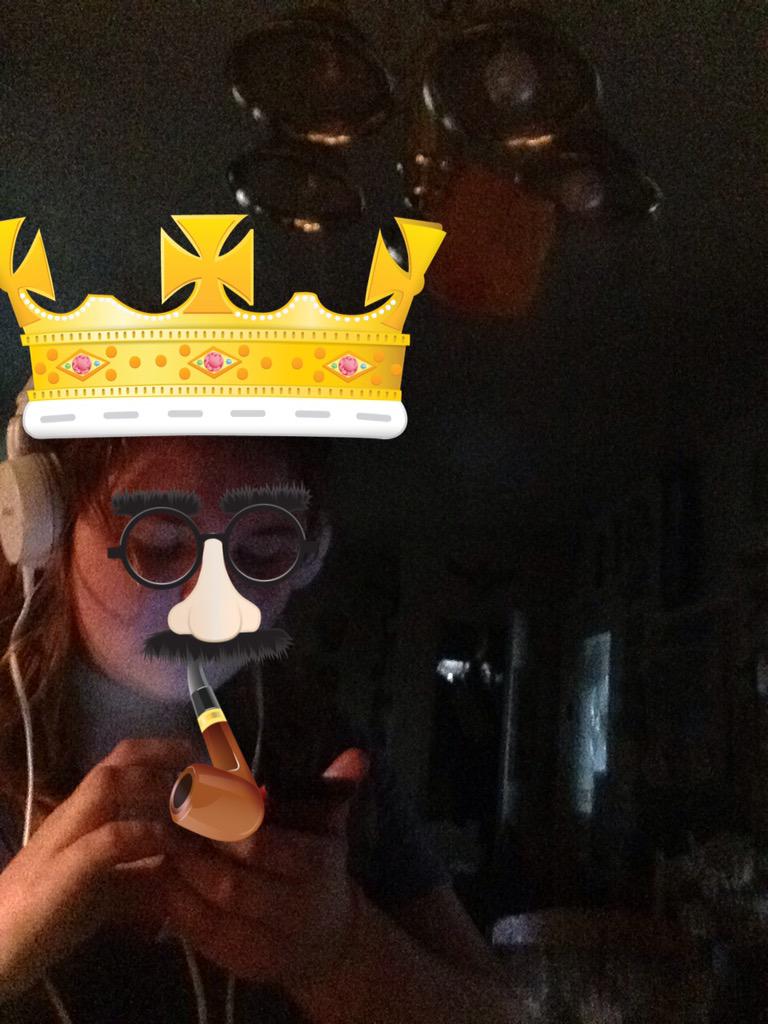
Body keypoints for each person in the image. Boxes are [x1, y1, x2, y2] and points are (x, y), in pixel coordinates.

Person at [0, 411, 520, 1023]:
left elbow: (500, 1014)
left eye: (262, 553)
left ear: (308, 554)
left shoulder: (328, 760)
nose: (216, 609)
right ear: (43, 526)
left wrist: (341, 955)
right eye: (159, 546)